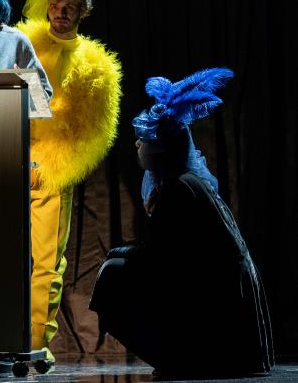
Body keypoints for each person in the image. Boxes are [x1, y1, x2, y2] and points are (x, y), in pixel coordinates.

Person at [89, 68, 274, 376]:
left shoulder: (180, 188)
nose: (137, 145)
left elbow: (159, 260)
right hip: (218, 298)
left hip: (220, 308)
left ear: (161, 147)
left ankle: (183, 357)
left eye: (143, 140)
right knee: (118, 265)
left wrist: (118, 256)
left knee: (113, 277)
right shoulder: (182, 184)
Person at [0, 0, 123, 364]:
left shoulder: (94, 64)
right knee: (0, 255)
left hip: (49, 171)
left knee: (46, 263)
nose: (61, 14)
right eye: (56, 5)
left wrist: (56, 164)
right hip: (10, 161)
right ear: (46, 5)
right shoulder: (23, 42)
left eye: (69, 9)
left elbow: (94, 131)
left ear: (81, 12)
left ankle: (33, 342)